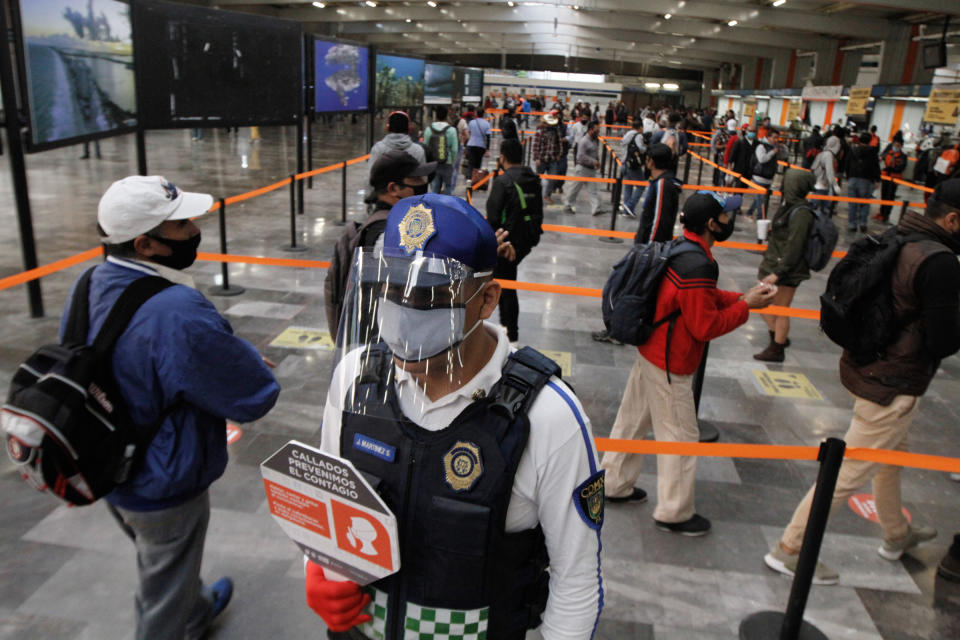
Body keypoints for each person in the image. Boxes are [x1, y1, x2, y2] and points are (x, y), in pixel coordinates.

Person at [305, 194, 604, 640]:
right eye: (391, 289)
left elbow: (575, 578)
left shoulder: (548, 418)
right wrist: (316, 565)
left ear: (486, 300)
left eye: (430, 297)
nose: (404, 315)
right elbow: (330, 502)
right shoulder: (356, 378)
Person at [77, 175, 281, 639]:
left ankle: (195, 609)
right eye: (181, 225)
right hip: (161, 482)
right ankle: (178, 620)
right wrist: (234, 357)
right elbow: (252, 394)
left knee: (162, 561)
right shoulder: (177, 311)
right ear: (146, 244)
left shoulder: (91, 281)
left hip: (106, 461)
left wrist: (212, 354)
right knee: (161, 593)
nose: (193, 231)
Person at [764, 179, 960, 586]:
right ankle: (790, 548)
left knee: (889, 457)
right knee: (848, 470)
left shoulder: (902, 234)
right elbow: (943, 340)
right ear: (954, 219)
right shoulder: (939, 262)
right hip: (893, 382)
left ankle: (896, 533)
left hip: (869, 365)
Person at [601, 192, 777, 535]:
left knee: (632, 420)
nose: (730, 221)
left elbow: (701, 299)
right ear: (712, 224)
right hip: (671, 362)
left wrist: (744, 296)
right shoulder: (699, 264)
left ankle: (613, 482)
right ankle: (675, 511)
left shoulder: (682, 248)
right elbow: (705, 325)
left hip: (650, 350)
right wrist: (747, 307)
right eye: (725, 217)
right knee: (680, 434)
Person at [754, 169, 818, 362]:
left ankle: (777, 347)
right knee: (763, 304)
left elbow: (795, 245)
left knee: (780, 308)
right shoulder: (789, 207)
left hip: (787, 270)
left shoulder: (801, 213)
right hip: (775, 264)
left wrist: (779, 272)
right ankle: (778, 338)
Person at [486, 138, 543, 345]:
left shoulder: (502, 181)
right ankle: (510, 332)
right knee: (506, 283)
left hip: (505, 244)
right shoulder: (533, 179)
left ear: (503, 157)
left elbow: (493, 216)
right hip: (526, 239)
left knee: (506, 287)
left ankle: (511, 336)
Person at [635, 143, 681, 245]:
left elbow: (659, 221)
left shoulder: (662, 184)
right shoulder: (661, 182)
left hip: (651, 248)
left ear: (651, 162)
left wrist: (649, 251)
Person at [368, 112, 426, 182]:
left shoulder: (378, 148)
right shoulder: (418, 150)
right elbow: (422, 178)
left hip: (384, 192)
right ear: (409, 128)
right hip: (410, 192)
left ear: (387, 127)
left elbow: (370, 176)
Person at [564, 121, 605, 216]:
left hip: (591, 170)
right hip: (582, 169)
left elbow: (595, 153)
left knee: (593, 190)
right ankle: (567, 205)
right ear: (590, 130)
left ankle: (596, 209)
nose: (598, 132)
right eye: (596, 130)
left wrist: (596, 162)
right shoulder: (584, 141)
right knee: (575, 188)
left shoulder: (594, 140)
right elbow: (580, 156)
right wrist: (593, 161)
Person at [845, 131, 881, 233]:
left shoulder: (853, 150)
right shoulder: (872, 151)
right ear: (870, 140)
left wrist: (848, 176)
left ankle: (852, 225)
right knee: (865, 203)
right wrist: (877, 179)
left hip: (853, 179)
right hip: (866, 180)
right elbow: (875, 166)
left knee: (852, 204)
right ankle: (863, 223)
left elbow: (847, 163)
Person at [423, 106, 459, 195]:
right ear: (447, 115)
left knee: (435, 187)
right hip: (447, 162)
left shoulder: (429, 129)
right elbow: (454, 149)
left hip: (433, 163)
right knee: (448, 186)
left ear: (436, 116)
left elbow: (425, 147)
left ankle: (436, 207)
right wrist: (452, 161)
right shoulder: (451, 130)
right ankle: (446, 206)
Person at [745, 127, 780, 220]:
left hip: (769, 178)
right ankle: (761, 219)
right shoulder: (761, 146)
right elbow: (762, 159)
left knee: (759, 198)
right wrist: (773, 152)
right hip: (759, 177)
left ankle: (749, 212)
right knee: (762, 200)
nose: (776, 140)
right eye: (774, 138)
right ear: (768, 137)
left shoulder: (775, 147)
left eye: (777, 138)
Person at [533, 111, 564, 204]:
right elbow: (535, 146)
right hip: (542, 159)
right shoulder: (539, 132)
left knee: (553, 178)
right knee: (537, 179)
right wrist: (537, 158)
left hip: (552, 159)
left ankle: (547, 195)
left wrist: (559, 154)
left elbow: (560, 143)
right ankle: (535, 195)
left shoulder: (556, 131)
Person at [876, 132, 907, 223]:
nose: (896, 146)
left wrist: (892, 168)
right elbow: (882, 159)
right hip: (885, 177)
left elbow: (902, 167)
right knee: (883, 195)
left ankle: (886, 215)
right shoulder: (888, 153)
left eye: (898, 145)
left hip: (894, 179)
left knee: (890, 197)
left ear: (901, 146)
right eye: (895, 144)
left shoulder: (903, 156)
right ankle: (881, 213)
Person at [620, 119, 646, 218]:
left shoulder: (627, 134)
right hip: (633, 165)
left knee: (628, 187)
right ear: (640, 127)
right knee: (641, 185)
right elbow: (640, 149)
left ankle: (626, 211)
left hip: (624, 164)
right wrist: (646, 148)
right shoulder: (638, 135)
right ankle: (630, 206)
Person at [811, 134, 841, 217]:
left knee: (818, 206)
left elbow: (813, 167)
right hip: (822, 184)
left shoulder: (823, 153)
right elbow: (829, 171)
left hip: (819, 183)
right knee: (821, 208)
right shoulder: (828, 155)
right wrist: (835, 185)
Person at [465, 106, 492, 182]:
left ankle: (469, 180)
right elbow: (488, 137)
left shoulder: (471, 122)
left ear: (476, 113)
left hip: (471, 145)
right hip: (481, 146)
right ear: (483, 114)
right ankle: (476, 180)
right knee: (478, 164)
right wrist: (487, 149)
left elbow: (469, 133)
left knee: (470, 164)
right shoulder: (487, 124)